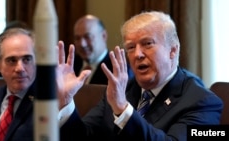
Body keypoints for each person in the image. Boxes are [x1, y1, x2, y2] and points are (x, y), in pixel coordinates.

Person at [58, 11, 223, 140]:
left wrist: (123, 110)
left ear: (172, 50)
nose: (137, 54)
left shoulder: (203, 102)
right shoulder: (121, 91)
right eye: (130, 47)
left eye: (147, 44)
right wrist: (65, 104)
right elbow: (84, 137)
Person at [0, 28, 91, 141]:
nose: (20, 68)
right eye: (12, 60)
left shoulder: (49, 102)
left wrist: (65, 103)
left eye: (27, 59)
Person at [73, 14, 134, 84]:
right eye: (77, 38)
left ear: (104, 36)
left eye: (87, 37)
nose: (82, 44)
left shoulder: (118, 69)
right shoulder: (70, 66)